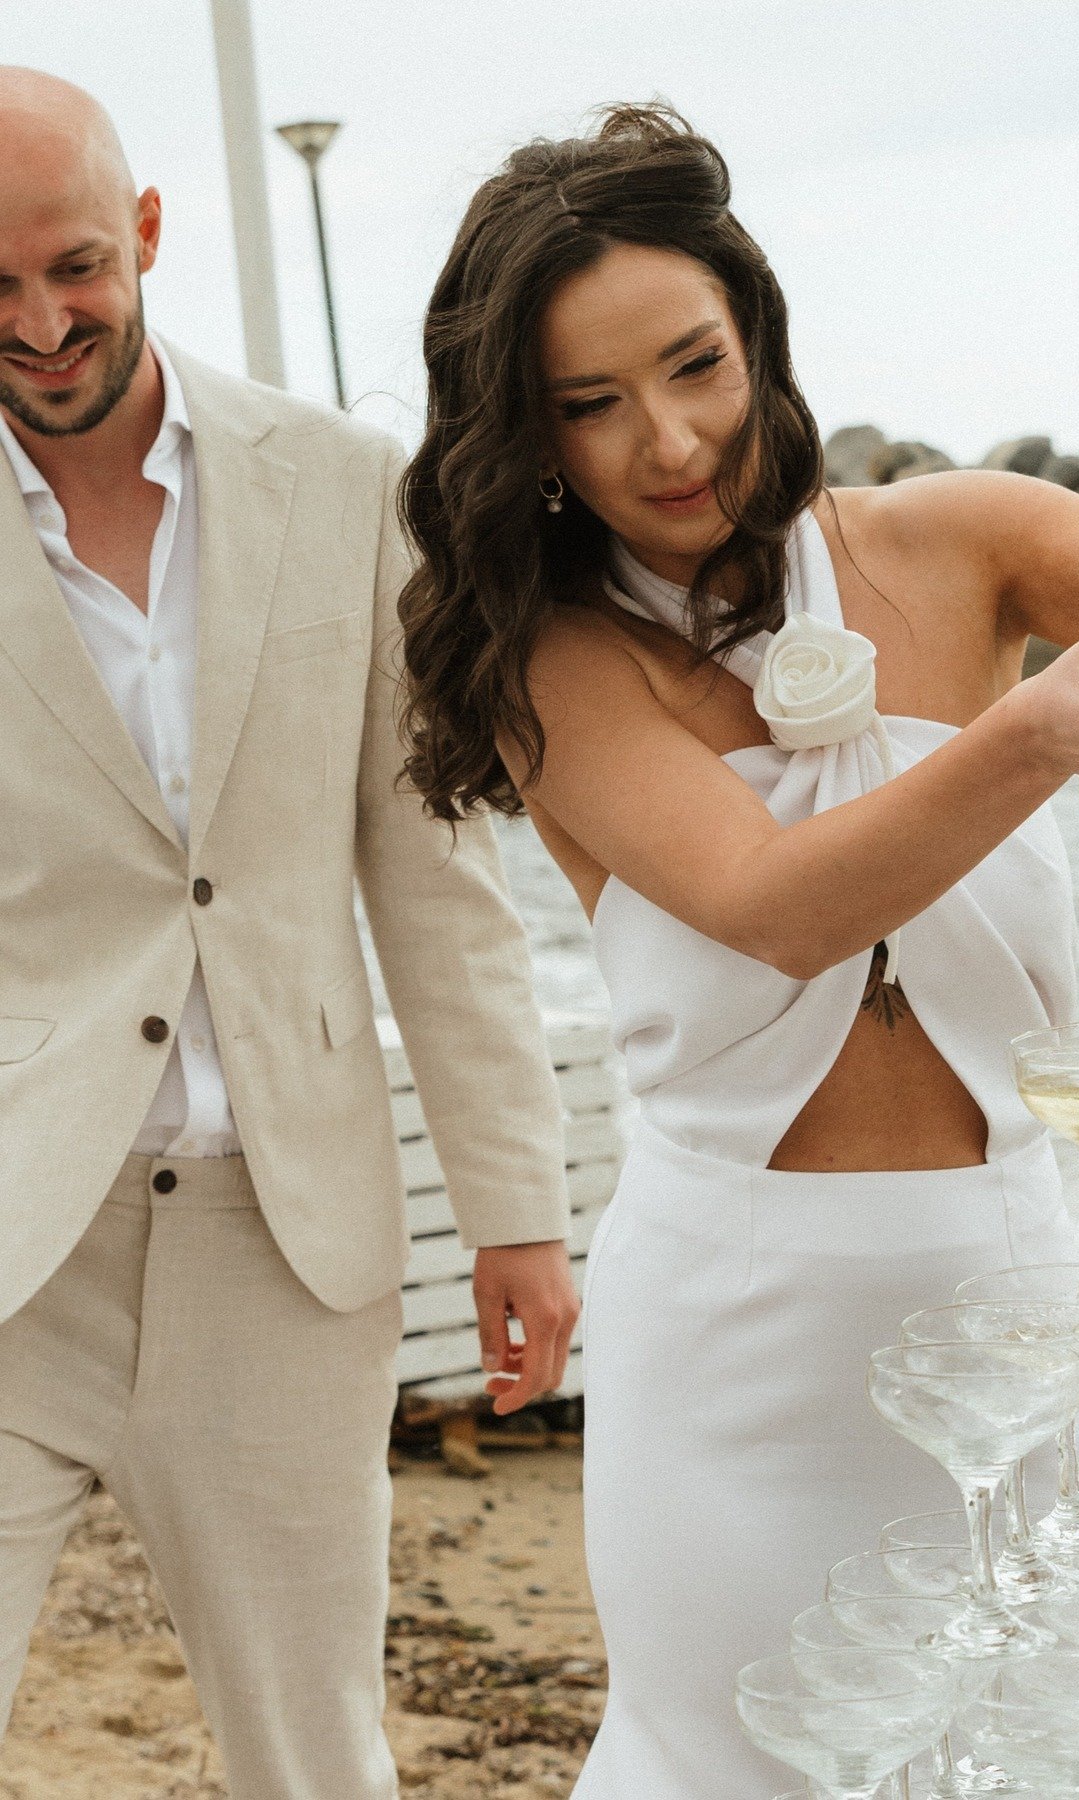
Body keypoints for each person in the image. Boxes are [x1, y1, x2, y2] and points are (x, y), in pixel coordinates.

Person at [395, 105, 1079, 1798]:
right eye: (591, 403)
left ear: (758, 337)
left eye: (696, 365)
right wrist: (1047, 725)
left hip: (1012, 1304)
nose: (669, 440)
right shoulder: (553, 661)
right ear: (531, 437)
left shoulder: (963, 538)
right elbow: (781, 906)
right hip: (738, 1353)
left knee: (1044, 1757)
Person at [0, 68, 580, 1798]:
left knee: (312, 1760)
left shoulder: (342, 486)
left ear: (146, 230)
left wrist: (517, 1214)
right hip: (18, 1238)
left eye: (76, 268)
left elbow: (438, 883)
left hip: (285, 1243)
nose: (41, 325)